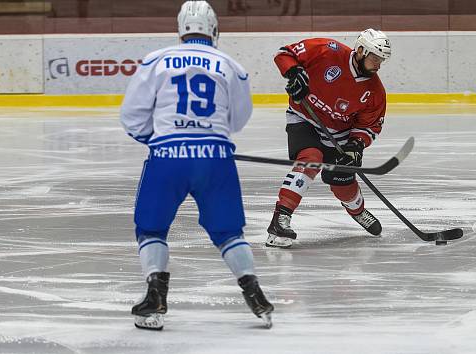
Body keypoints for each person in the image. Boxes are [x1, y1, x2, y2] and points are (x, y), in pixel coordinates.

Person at [120, 0, 273, 330]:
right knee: (229, 231)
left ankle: (155, 299)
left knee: (151, 228)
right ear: (215, 30)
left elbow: (131, 116)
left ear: (180, 30)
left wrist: (160, 139)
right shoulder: (231, 65)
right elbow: (239, 118)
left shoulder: (156, 61)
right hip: (216, 158)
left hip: (167, 158)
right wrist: (208, 136)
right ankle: (255, 294)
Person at [266, 29, 392, 248]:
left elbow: (369, 126)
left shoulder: (375, 92)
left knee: (341, 181)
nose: (378, 64)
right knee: (310, 159)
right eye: (375, 58)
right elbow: (284, 54)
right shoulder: (327, 50)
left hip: (340, 134)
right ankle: (280, 219)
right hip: (304, 117)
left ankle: (358, 211)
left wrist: (356, 145)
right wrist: (294, 73)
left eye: (381, 60)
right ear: (360, 51)